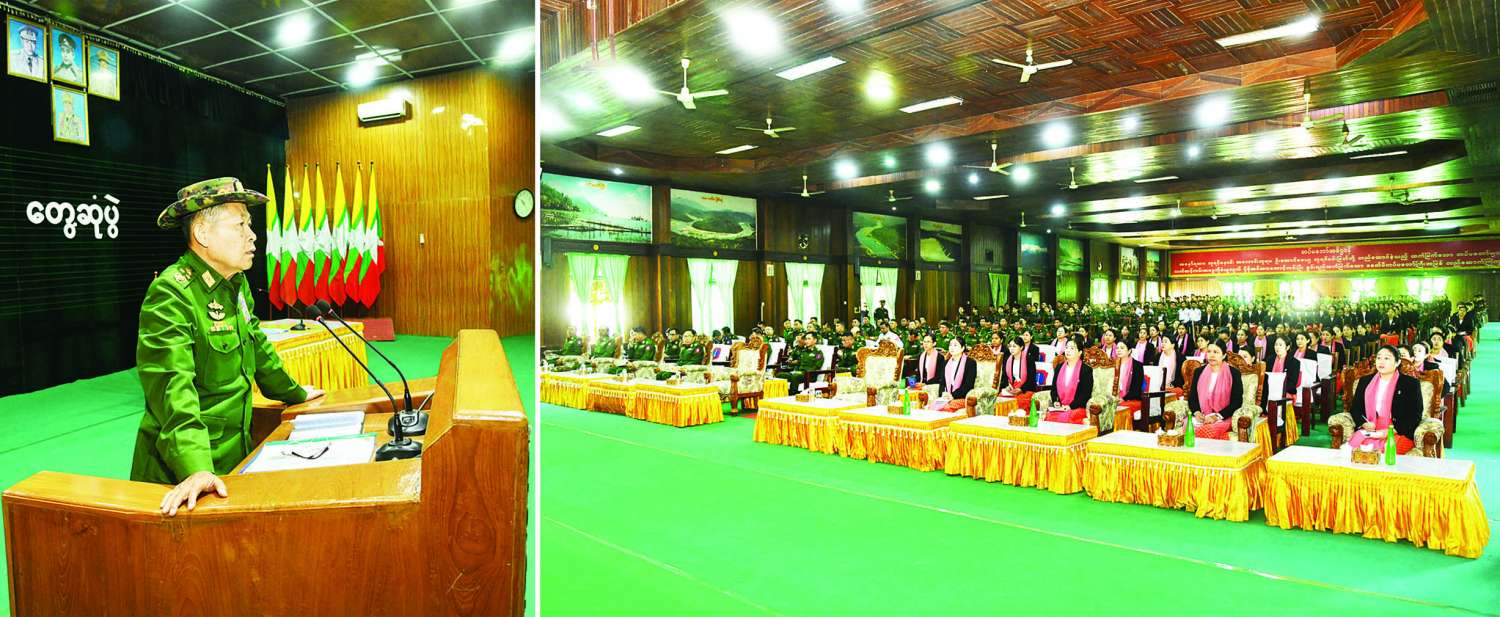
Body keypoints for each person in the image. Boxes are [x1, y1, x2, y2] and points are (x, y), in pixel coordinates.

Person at [134, 177, 325, 516]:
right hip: (183, 472)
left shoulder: (234, 284)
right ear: (202, 234)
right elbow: (172, 389)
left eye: (249, 225)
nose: (252, 236)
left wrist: (294, 393)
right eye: (240, 225)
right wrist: (196, 468)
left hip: (236, 454)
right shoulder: (172, 293)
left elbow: (257, 346)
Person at [1346, 345, 1421, 454]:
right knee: (1356, 449)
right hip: (1370, 429)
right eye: (1379, 358)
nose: (1381, 361)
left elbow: (1415, 416)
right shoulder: (1365, 381)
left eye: (1387, 358)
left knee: (1389, 451)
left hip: (1398, 432)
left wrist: (1390, 431)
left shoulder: (1410, 384)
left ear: (1397, 362)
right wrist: (1363, 423)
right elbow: (1355, 409)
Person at [1187, 340, 1241, 440]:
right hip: (1202, 417)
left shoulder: (1234, 373)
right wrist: (1197, 412)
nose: (1211, 355)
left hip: (1223, 417)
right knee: (1188, 427)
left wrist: (1216, 416)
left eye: (1216, 352)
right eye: (1209, 351)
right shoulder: (1199, 372)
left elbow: (1237, 402)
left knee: (1206, 431)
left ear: (1224, 355)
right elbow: (1192, 397)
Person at [1044, 336, 1093, 424]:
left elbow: (1085, 394)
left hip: (1077, 408)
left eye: (1072, 348)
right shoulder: (1059, 367)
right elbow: (1054, 389)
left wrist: (1070, 406)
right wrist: (1056, 401)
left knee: (1065, 418)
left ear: (1079, 352)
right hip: (1061, 408)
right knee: (1049, 417)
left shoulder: (1086, 370)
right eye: (1066, 347)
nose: (1068, 350)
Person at [930, 337, 976, 412]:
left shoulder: (970, 363)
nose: (952, 347)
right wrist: (943, 393)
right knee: (931, 406)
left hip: (962, 397)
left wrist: (953, 395)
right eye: (950, 345)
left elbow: (968, 385)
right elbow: (942, 382)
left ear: (962, 348)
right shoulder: (946, 363)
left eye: (955, 345)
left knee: (945, 408)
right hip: (947, 398)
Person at [1264, 337, 1301, 407]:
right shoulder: (1269, 360)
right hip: (1269, 390)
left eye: (1280, 345)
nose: (1277, 347)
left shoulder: (1294, 362)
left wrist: (1278, 388)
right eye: (1276, 344)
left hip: (1285, 392)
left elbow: (1292, 383)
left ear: (1287, 347)